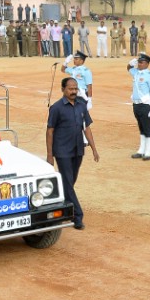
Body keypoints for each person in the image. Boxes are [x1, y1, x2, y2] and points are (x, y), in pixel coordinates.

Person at [46, 77, 99, 230]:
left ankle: (60, 205)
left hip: (78, 149)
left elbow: (86, 128)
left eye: (75, 88)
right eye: (70, 88)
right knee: (68, 183)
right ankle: (77, 216)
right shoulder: (56, 108)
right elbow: (50, 131)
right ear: (63, 90)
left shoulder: (82, 105)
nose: (74, 91)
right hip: (62, 150)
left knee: (70, 181)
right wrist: (50, 155)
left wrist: (94, 148)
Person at [128, 53, 150, 160]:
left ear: (147, 64)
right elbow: (129, 69)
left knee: (148, 128)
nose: (139, 64)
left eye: (141, 62)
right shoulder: (136, 73)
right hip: (136, 104)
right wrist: (131, 63)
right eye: (138, 62)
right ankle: (141, 150)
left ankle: (148, 152)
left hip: (145, 105)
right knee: (141, 127)